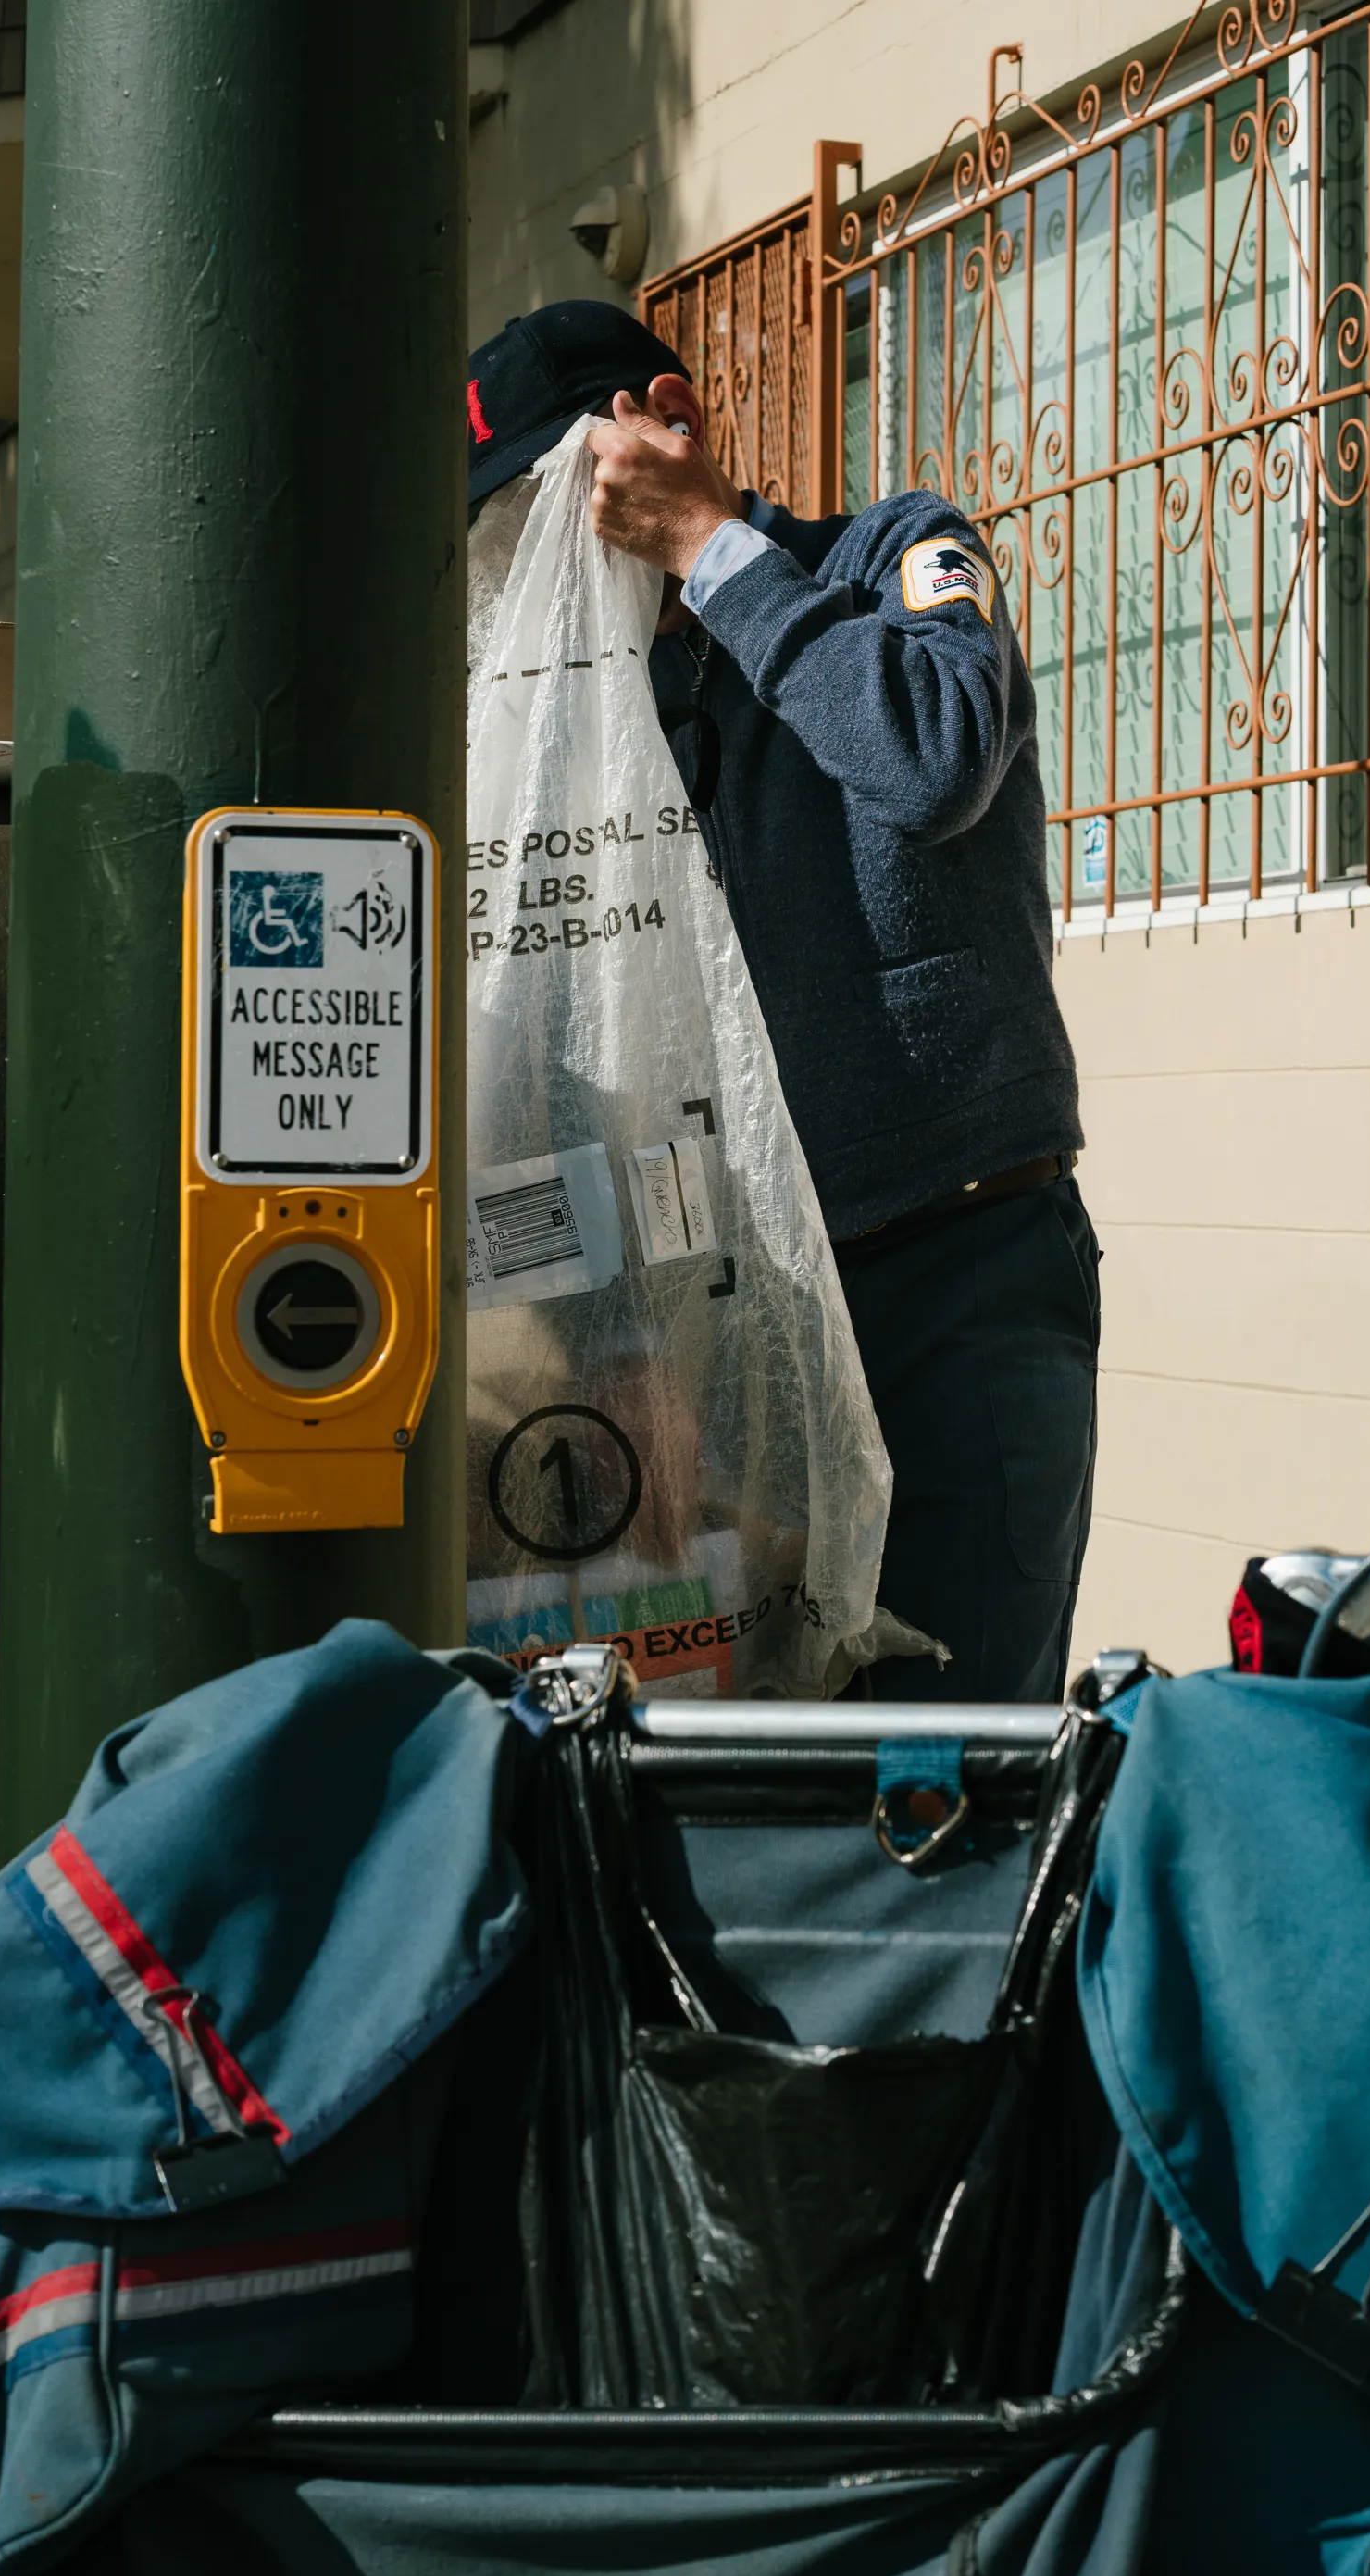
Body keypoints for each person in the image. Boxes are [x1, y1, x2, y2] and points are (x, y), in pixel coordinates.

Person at [467, 300, 1097, 1702]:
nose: (527, 554)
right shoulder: (596, 712)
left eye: (540, 496)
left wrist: (710, 549)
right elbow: (566, 1026)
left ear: (667, 424)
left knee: (951, 1751)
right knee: (741, 1773)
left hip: (956, 1272)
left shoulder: (886, 556)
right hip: (737, 1317)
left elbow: (933, 759)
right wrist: (618, 1347)